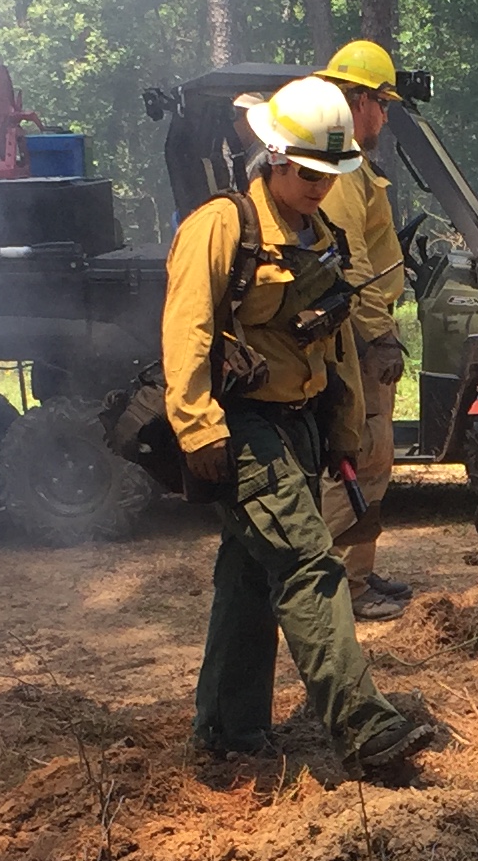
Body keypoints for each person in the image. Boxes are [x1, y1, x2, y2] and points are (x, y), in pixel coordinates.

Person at [161, 75, 433, 772]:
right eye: (308, 170)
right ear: (275, 157)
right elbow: (186, 330)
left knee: (252, 576)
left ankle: (227, 727)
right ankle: (366, 726)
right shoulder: (221, 225)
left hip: (300, 425)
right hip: (243, 426)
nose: (319, 184)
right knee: (309, 566)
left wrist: (344, 425)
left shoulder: (323, 231)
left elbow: (336, 340)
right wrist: (197, 428)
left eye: (328, 172)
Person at [312, 39, 415, 621]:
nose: (384, 116)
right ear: (359, 101)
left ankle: (359, 572)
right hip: (357, 338)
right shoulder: (344, 171)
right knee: (359, 458)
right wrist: (378, 336)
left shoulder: (350, 165)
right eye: (382, 103)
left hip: (360, 333)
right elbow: (350, 266)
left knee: (374, 458)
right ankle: (338, 588)